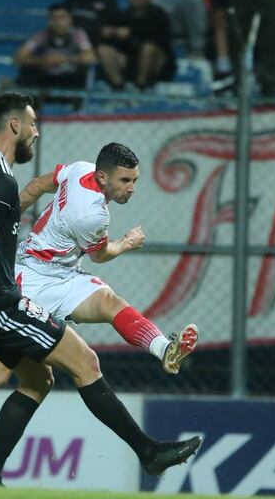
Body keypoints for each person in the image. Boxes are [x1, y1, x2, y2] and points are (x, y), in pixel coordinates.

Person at [0, 92, 203, 486]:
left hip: (27, 283)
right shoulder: (76, 209)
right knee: (82, 364)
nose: (37, 131)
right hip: (11, 292)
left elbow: (32, 189)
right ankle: (149, 451)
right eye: (32, 123)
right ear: (14, 125)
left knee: (31, 378)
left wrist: (10, 212)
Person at [14, 143, 199, 375]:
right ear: (102, 176)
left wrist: (5, 219)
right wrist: (127, 242)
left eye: (135, 180)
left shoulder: (80, 169)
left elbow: (37, 185)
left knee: (110, 303)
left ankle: (165, 349)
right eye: (124, 181)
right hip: (33, 280)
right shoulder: (93, 215)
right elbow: (99, 256)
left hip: (64, 275)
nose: (132, 188)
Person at [97, 0, 176, 90]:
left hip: (156, 64)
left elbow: (161, 40)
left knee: (148, 48)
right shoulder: (122, 16)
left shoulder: (159, 15)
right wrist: (112, 32)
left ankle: (141, 86)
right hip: (131, 62)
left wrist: (131, 33)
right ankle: (118, 86)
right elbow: (105, 32)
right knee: (104, 49)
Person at [13, 3, 96, 93]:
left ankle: (78, 105)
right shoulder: (41, 36)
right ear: (49, 20)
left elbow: (90, 57)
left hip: (70, 77)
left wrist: (62, 60)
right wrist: (41, 61)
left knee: (83, 70)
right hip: (46, 77)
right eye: (54, 18)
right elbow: (18, 57)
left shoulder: (78, 35)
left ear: (70, 19)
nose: (59, 22)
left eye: (63, 18)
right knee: (27, 70)